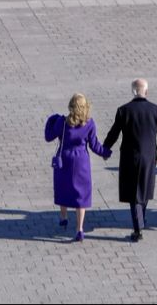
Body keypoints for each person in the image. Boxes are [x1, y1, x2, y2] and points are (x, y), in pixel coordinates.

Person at [103, 78, 157, 242]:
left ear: (133, 92)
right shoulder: (156, 110)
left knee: (133, 193)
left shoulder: (123, 110)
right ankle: (141, 219)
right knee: (144, 189)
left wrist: (105, 149)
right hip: (148, 156)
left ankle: (138, 228)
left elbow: (114, 133)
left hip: (130, 157)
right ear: (147, 91)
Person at [45, 94, 111, 242]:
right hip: (81, 162)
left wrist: (50, 120)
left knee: (63, 187)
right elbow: (95, 146)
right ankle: (79, 229)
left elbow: (48, 136)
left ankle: (63, 216)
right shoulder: (89, 123)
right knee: (81, 195)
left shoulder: (62, 122)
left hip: (64, 160)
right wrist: (106, 153)